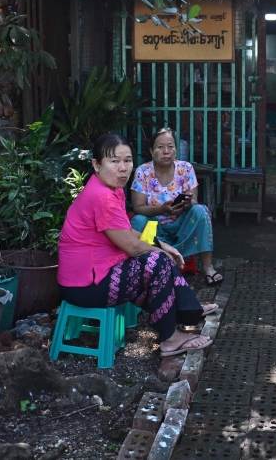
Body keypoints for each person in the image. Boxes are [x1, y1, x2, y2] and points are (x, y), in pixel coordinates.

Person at [57, 134, 215, 357]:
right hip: (85, 286)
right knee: (156, 262)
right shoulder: (101, 195)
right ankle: (173, 335)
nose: (123, 168)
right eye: (114, 161)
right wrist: (162, 252)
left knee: (155, 259)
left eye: (127, 160)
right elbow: (132, 247)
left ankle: (188, 312)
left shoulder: (112, 190)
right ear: (96, 165)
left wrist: (160, 243)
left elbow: (125, 230)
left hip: (94, 277)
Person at [130, 127, 223, 284]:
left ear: (176, 150)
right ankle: (140, 268)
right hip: (155, 229)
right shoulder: (142, 172)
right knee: (138, 220)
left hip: (182, 226)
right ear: (152, 151)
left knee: (201, 210)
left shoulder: (185, 169)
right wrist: (161, 209)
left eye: (170, 146)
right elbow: (138, 207)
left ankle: (208, 267)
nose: (166, 151)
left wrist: (186, 203)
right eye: (160, 147)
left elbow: (194, 201)